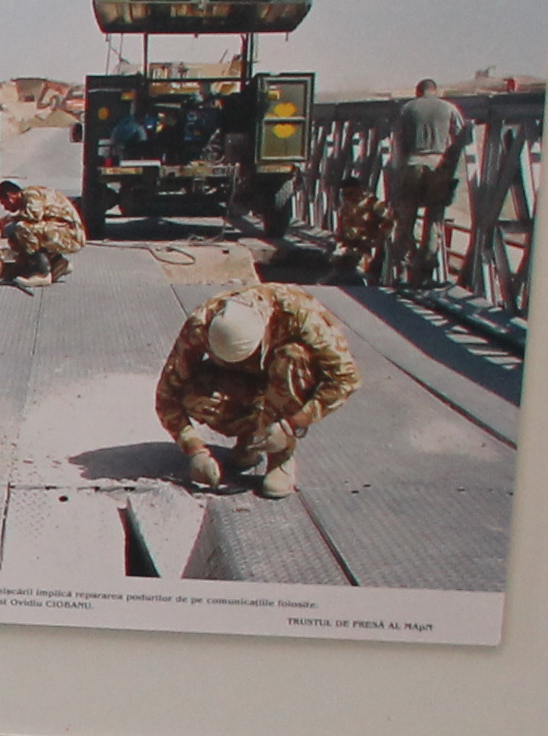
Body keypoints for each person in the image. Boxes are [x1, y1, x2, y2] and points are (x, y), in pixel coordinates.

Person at [156, 280, 362, 497]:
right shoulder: (201, 323)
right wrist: (194, 449)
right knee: (193, 394)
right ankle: (251, 441)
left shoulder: (301, 315)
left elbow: (346, 378)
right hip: (242, 384)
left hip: (282, 382)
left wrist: (293, 424)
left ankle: (280, 457)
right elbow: (167, 394)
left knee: (295, 356)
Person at [382, 78, 470, 271]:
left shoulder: (407, 109)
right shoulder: (449, 108)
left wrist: (398, 170)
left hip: (412, 164)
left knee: (406, 216)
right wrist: (449, 161)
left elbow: (397, 141)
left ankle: (402, 266)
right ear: (436, 91)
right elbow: (463, 136)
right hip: (438, 165)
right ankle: (427, 266)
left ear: (418, 91)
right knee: (434, 217)